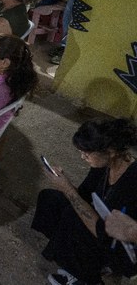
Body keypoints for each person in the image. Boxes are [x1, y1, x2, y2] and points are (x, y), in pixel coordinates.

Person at [33, 119, 137, 285]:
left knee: (72, 217)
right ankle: (72, 260)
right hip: (100, 223)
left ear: (110, 151)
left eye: (87, 154)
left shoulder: (132, 180)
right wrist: (64, 183)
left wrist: (67, 189)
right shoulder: (104, 165)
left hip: (118, 240)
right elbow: (83, 195)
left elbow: (105, 230)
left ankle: (90, 277)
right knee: (50, 199)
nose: (83, 157)